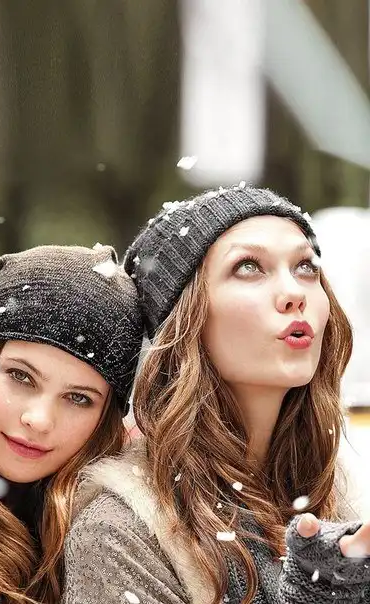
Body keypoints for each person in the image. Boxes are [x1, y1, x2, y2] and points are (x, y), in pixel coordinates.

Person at [61, 185, 370, 604]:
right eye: (248, 267)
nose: (294, 292)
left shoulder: (345, 501)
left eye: (305, 267)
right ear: (186, 318)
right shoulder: (121, 531)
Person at [0, 244, 142, 604]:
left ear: (105, 420)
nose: (39, 420)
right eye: (21, 376)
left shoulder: (116, 537)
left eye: (78, 398)